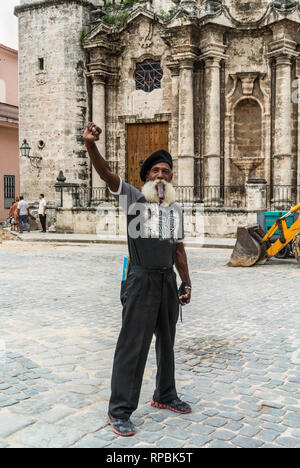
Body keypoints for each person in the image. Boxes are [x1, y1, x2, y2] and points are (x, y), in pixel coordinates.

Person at [84, 122, 192, 437]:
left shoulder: (174, 209)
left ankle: (165, 394)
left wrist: (186, 283)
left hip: (166, 282)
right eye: (155, 171)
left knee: (168, 342)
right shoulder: (133, 198)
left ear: (172, 178)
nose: (161, 176)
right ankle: (119, 410)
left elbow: (179, 250)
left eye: (166, 171)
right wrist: (91, 146)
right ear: (146, 177)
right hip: (140, 280)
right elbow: (106, 175)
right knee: (134, 344)